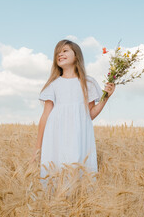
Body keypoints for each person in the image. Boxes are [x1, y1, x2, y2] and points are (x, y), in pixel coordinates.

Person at [32, 39, 115, 188]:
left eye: (65, 51)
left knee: (78, 172)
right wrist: (38, 147)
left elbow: (90, 114)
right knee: (54, 173)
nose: (60, 54)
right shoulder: (53, 84)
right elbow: (45, 116)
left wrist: (106, 97)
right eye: (58, 52)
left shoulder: (87, 83)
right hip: (55, 136)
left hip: (79, 135)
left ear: (76, 56)